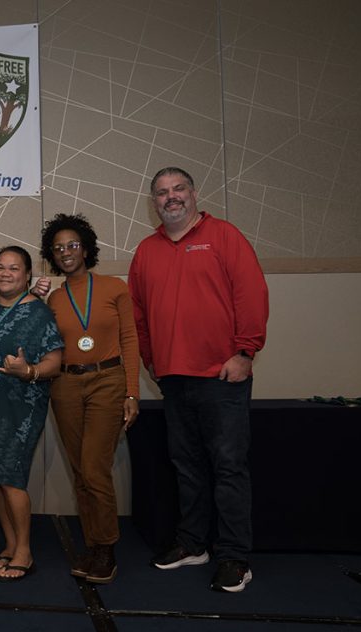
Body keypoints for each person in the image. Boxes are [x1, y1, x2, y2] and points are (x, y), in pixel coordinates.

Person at [129, 167, 268, 593]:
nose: (171, 198)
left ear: (193, 194)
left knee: (228, 468)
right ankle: (193, 544)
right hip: (173, 379)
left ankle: (233, 556)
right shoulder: (146, 251)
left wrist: (245, 352)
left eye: (178, 189)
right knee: (186, 466)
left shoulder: (224, 236)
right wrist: (152, 362)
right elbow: (139, 315)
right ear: (153, 201)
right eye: (162, 193)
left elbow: (252, 293)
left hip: (221, 376)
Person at [37, 213, 140, 584]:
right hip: (65, 386)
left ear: (86, 248)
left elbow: (130, 340)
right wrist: (34, 304)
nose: (66, 252)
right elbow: (42, 343)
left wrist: (132, 391)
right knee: (81, 472)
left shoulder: (115, 287)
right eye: (58, 247)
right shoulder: (54, 298)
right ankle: (93, 544)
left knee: (95, 467)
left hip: (108, 381)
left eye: (72, 245)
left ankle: (107, 549)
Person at [0, 246, 63, 582]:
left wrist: (29, 370)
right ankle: (9, 544)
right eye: (0, 267)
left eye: (14, 268)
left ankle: (25, 552)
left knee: (11, 475)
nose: (6, 273)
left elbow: (55, 361)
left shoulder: (39, 314)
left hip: (18, 406)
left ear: (28, 275)